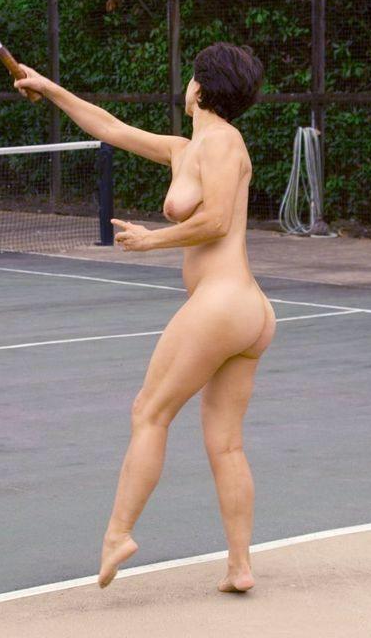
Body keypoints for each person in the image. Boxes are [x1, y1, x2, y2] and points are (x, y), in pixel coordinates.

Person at [14, 41, 277, 592]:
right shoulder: (187, 147)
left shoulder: (222, 141)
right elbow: (110, 127)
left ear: (200, 88)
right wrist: (49, 87)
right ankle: (239, 567)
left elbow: (217, 219)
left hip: (222, 303)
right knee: (225, 442)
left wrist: (152, 240)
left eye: (191, 76)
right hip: (245, 311)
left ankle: (118, 534)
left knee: (148, 413)